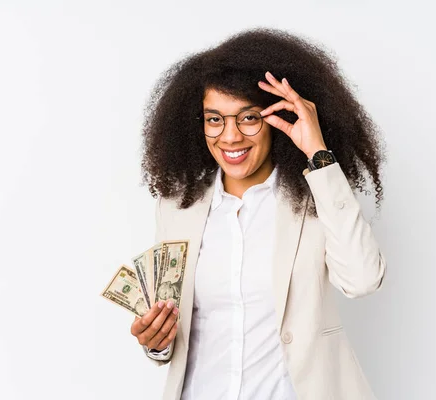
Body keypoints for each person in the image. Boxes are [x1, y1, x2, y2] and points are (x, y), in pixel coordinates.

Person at [129, 28, 387, 400]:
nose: (230, 136)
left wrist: (318, 154)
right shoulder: (178, 207)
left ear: (276, 118)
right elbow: (174, 328)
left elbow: (362, 280)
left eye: (248, 118)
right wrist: (156, 342)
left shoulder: (314, 200)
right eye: (214, 119)